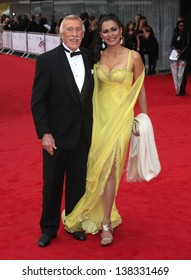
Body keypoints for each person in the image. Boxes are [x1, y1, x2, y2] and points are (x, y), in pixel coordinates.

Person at [62, 13, 148, 246]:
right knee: (95, 166)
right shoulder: (95, 57)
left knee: (110, 168)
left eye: (114, 29)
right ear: (100, 34)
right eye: (105, 31)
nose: (110, 34)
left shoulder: (134, 57)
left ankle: (106, 223)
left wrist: (144, 118)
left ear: (122, 30)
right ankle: (91, 210)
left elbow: (140, 88)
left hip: (121, 120)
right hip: (98, 121)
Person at [31, 15, 94, 247]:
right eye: (70, 29)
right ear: (61, 33)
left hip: (83, 134)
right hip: (56, 136)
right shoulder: (47, 61)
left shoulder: (90, 56)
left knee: (78, 182)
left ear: (84, 33)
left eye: (79, 29)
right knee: (52, 183)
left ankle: (74, 223)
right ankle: (48, 227)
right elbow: (38, 101)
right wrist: (44, 132)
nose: (75, 33)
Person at [170, 20, 190, 95]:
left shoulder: (186, 34)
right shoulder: (175, 34)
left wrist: (182, 51)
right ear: (177, 26)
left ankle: (183, 89)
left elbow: (188, 44)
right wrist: (176, 49)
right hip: (176, 55)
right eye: (180, 26)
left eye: (182, 26)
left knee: (183, 73)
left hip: (184, 55)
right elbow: (171, 44)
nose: (181, 27)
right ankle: (177, 89)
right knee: (176, 73)